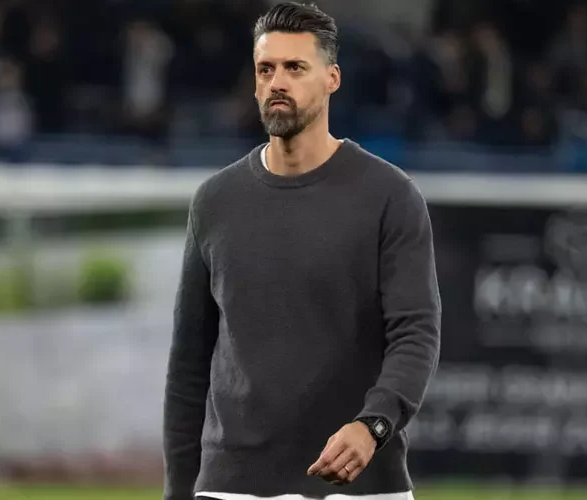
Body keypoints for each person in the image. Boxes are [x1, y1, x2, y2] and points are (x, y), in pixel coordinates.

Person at [162, 3, 441, 500]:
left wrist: (374, 425)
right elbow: (189, 366)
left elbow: (415, 334)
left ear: (332, 79)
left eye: (295, 68)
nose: (277, 83)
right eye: (265, 69)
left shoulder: (389, 196)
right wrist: (179, 491)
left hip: (362, 487)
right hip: (232, 488)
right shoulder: (215, 202)